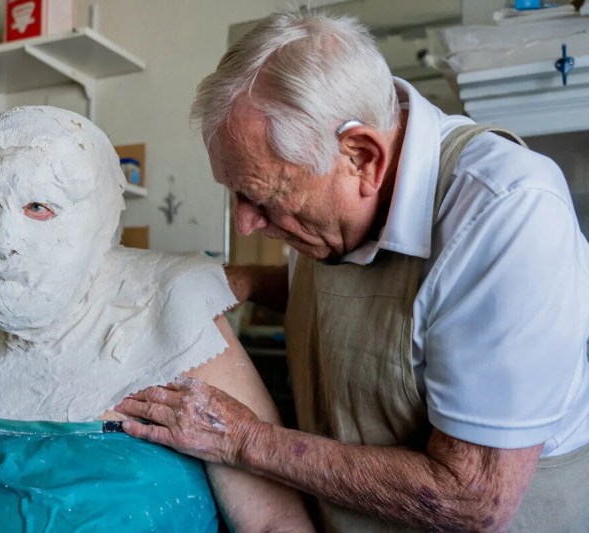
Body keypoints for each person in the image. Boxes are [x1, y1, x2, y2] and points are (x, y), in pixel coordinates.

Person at [115, 9, 589, 532]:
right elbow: (365, 302)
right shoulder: (327, 201)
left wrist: (242, 438)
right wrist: (245, 281)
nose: (246, 223)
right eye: (234, 194)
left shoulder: (505, 213)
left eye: (262, 198)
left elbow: (472, 497)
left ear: (362, 158)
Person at [0, 107, 313, 532]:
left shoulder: (173, 323)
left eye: (39, 208)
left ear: (99, 223)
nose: (3, 241)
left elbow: (273, 524)